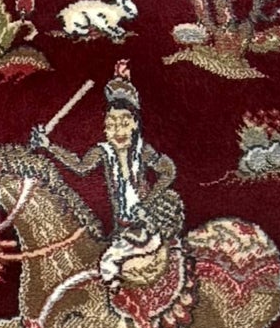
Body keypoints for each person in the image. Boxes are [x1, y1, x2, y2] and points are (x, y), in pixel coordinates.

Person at [31, 62, 187, 309]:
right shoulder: (103, 152)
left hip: (147, 226)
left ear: (135, 124)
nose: (118, 130)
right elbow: (80, 166)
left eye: (124, 123)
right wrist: (48, 146)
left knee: (108, 264)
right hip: (121, 230)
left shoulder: (142, 151)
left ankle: (126, 309)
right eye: (111, 124)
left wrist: (149, 202)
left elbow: (169, 171)